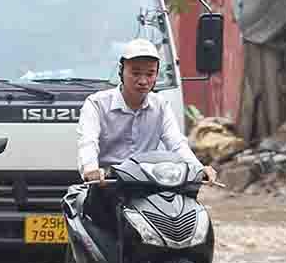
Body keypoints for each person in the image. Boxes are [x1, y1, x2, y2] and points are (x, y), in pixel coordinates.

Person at [75, 38, 217, 223]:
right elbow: (88, 142)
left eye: (150, 74)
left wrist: (199, 169)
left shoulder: (161, 105)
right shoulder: (97, 104)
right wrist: (91, 169)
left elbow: (176, 143)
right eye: (135, 73)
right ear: (121, 71)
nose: (143, 80)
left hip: (149, 188)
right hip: (108, 189)